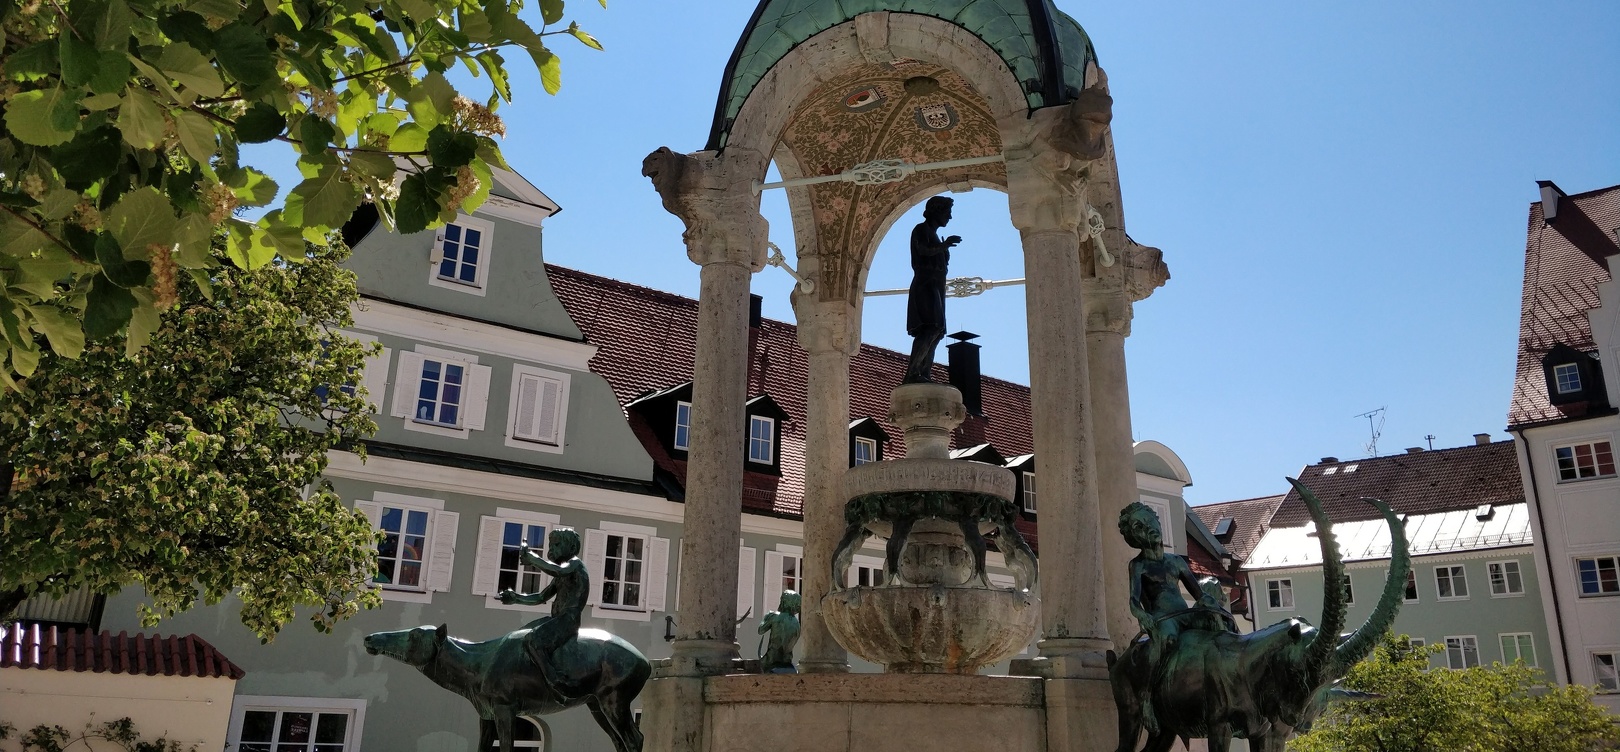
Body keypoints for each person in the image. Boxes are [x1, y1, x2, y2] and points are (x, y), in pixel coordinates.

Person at [1118, 502, 1231, 733]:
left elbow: (1197, 593)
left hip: (1185, 614)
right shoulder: (1138, 565)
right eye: (1139, 527)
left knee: (1219, 621)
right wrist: (1142, 615)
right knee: (1167, 641)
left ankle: (1229, 673)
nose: (1147, 528)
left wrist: (1209, 605)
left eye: (1149, 521)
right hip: (1162, 619)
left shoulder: (1176, 561)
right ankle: (1147, 697)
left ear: (1158, 522)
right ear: (1133, 538)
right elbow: (1133, 600)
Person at [497, 527, 589, 699]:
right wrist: (515, 598)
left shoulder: (575, 565)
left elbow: (558, 570)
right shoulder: (562, 574)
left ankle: (556, 683)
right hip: (556, 619)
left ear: (570, 547)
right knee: (521, 635)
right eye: (550, 545)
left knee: (533, 641)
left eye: (556, 544)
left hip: (567, 620)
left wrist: (533, 559)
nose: (551, 549)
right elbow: (540, 597)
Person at [904, 196, 962, 383]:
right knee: (929, 328)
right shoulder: (921, 229)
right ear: (937, 211)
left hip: (936, 286)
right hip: (925, 285)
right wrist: (943, 246)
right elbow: (923, 250)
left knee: (937, 331)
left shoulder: (934, 234)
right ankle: (913, 374)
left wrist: (943, 250)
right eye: (948, 213)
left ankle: (924, 373)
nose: (950, 217)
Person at [757, 590, 802, 673]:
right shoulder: (797, 623)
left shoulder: (774, 616)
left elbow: (760, 630)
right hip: (787, 660)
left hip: (772, 659)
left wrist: (767, 616)